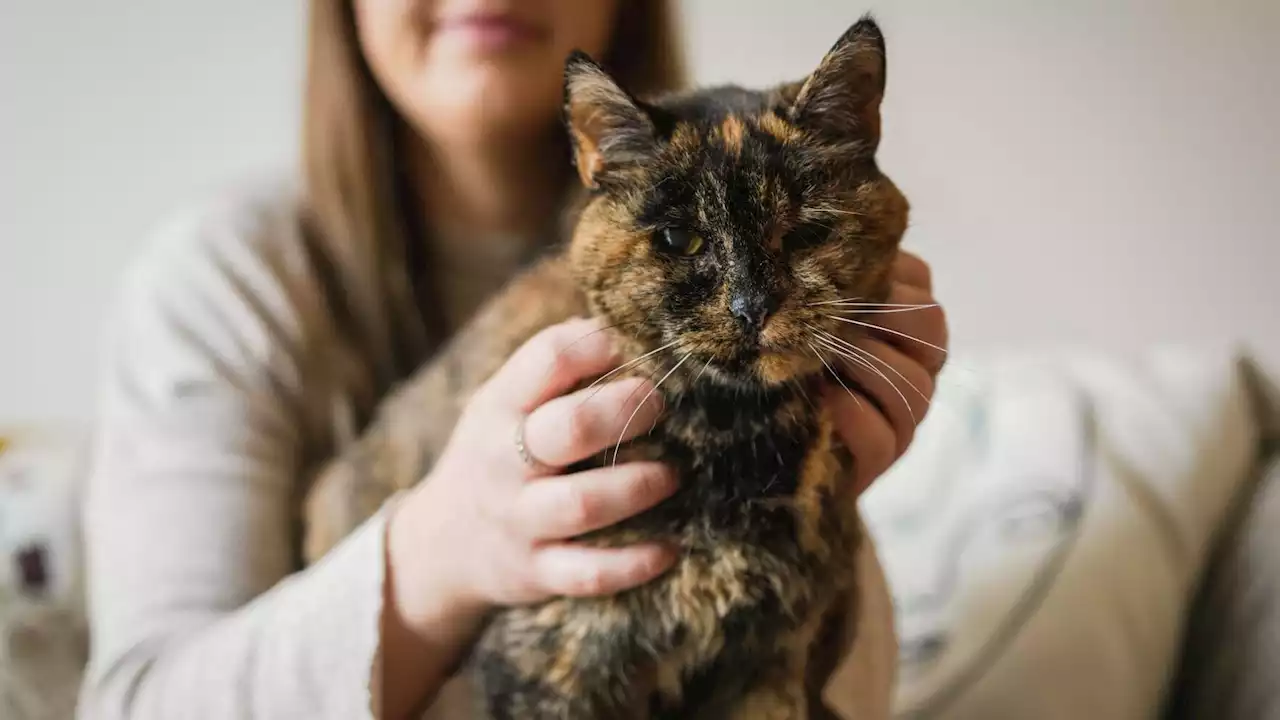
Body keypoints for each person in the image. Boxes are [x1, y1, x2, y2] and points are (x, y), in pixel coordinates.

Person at [77, 1, 949, 718]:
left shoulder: (811, 282)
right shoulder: (225, 279)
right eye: (680, 242)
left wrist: (825, 507)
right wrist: (435, 554)